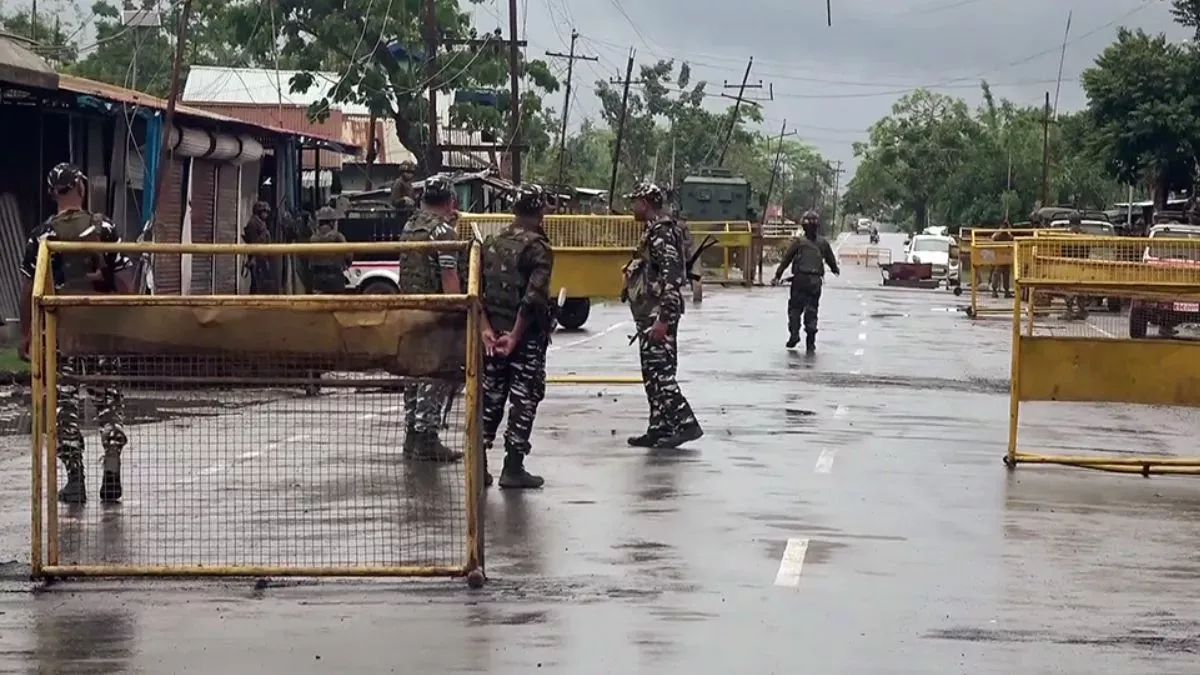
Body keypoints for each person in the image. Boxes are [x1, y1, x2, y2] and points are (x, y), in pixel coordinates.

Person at [19, 163, 133, 504]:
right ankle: (111, 463)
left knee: (63, 404)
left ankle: (75, 479)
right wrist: (126, 322)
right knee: (108, 400)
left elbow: (28, 289)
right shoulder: (105, 227)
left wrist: (27, 333)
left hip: (61, 333)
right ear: (81, 188)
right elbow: (125, 282)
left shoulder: (42, 236)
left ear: (52, 193)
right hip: (102, 331)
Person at [478, 184, 555, 489]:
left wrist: (486, 329)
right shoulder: (538, 248)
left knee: (490, 397)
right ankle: (513, 467)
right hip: (524, 339)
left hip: (492, 336)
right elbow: (533, 298)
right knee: (525, 397)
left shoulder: (491, 242)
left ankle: (479, 465)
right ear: (540, 210)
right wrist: (516, 335)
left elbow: (476, 292)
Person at [620, 181, 703, 449]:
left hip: (658, 314)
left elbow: (672, 280)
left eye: (635, 202)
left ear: (645, 203)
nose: (632, 207)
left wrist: (663, 319)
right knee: (651, 373)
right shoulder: (652, 231)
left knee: (661, 372)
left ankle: (686, 423)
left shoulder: (662, 233)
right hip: (648, 313)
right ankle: (659, 427)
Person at [397, 174, 463, 462]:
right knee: (433, 375)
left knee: (413, 373)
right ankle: (427, 439)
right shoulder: (443, 232)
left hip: (408, 310)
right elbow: (449, 276)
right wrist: (458, 311)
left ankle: (413, 435)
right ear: (451, 201)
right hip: (435, 314)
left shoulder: (410, 227)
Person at [771, 211, 840, 353]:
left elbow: (786, 260)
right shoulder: (823, 243)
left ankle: (794, 334)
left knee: (795, 310)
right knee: (812, 310)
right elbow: (831, 260)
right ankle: (810, 341)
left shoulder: (798, 243)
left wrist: (777, 276)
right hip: (814, 282)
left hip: (800, 281)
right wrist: (835, 269)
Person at [308, 204, 350, 293]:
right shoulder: (338, 237)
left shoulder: (313, 238)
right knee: (336, 301)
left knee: (319, 300)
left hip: (318, 278)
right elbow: (349, 255)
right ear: (331, 222)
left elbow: (310, 260)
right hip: (335, 277)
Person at [243, 201, 274, 293]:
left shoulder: (261, 223)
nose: (266, 214)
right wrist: (253, 258)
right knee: (256, 284)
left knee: (260, 282)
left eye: (267, 212)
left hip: (262, 256)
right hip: (256, 258)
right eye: (264, 212)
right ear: (259, 211)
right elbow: (253, 242)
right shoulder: (253, 223)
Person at [990, 221, 1014, 298]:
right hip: (1006, 257)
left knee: (997, 274)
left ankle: (995, 291)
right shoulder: (1008, 236)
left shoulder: (998, 236)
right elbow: (1012, 238)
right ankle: (1006, 291)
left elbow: (992, 238)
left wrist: (998, 231)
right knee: (1005, 275)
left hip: (1000, 257)